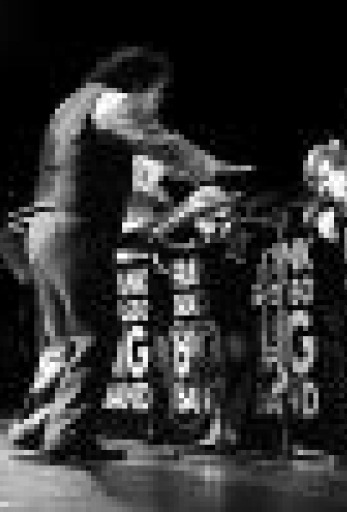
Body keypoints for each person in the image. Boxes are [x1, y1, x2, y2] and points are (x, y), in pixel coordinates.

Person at [6, 46, 250, 465]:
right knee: (96, 332)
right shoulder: (113, 101)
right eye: (159, 91)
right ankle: (67, 437)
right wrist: (212, 169)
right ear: (140, 83)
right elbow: (161, 142)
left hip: (42, 226)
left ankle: (41, 426)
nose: (157, 103)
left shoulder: (68, 105)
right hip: (76, 229)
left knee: (62, 339)